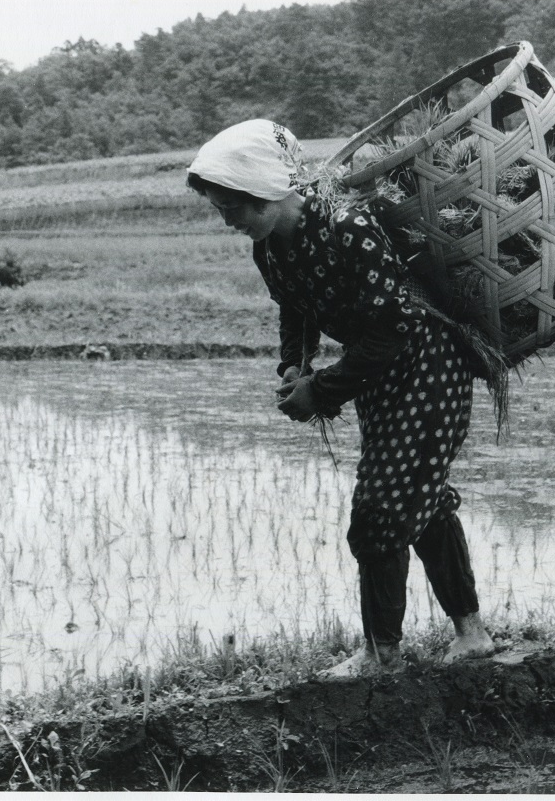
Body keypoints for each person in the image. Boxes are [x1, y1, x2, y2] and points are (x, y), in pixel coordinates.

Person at [186, 119, 495, 674]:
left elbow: (396, 328)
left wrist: (322, 391)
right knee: (419, 501)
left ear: (263, 191)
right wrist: (293, 365)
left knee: (378, 511)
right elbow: (295, 309)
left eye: (232, 207)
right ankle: (472, 635)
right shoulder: (270, 249)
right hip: (377, 378)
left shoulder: (346, 227)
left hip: (427, 365)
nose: (228, 220)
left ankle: (382, 655)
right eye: (220, 209)